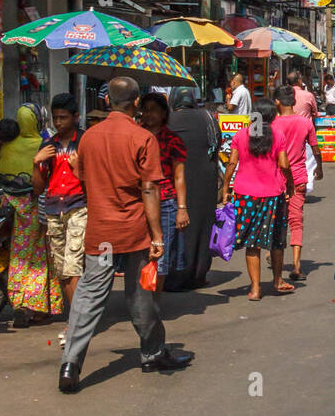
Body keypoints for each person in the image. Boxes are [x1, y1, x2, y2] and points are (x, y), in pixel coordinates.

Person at [58, 76, 192, 394]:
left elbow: (82, 177)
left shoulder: (88, 137)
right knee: (139, 293)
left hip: (101, 231)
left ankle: (70, 363)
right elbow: (149, 188)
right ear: (135, 103)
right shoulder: (142, 138)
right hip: (134, 230)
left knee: (90, 296)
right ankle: (153, 353)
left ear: (106, 101)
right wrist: (157, 236)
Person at [221, 98, 294, 299]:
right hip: (273, 194)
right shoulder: (278, 135)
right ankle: (277, 281)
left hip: (245, 195)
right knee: (277, 240)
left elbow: (231, 163)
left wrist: (226, 188)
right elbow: (285, 165)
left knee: (252, 243)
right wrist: (290, 184)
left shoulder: (241, 135)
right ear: (271, 116)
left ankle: (254, 289)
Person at [0, 107, 61, 326]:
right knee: (39, 257)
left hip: (9, 207)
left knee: (18, 255)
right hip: (36, 209)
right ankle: (36, 306)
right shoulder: (44, 146)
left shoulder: (6, 145)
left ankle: (18, 302)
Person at [32, 94, 86, 343]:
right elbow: (38, 188)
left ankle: (75, 323)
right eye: (55, 118)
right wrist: (36, 164)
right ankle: (76, 318)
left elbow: (95, 179)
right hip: (54, 209)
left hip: (79, 207)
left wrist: (78, 170)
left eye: (63, 117)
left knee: (73, 267)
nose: (58, 122)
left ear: (75, 117)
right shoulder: (48, 146)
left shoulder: (85, 142)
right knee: (63, 270)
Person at [167, 87, 220, 290]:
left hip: (177, 178)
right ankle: (199, 273)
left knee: (178, 225)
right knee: (203, 224)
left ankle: (177, 274)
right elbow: (217, 143)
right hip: (205, 178)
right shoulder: (208, 116)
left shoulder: (169, 120)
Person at [139, 93, 189, 289]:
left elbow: (179, 176)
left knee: (161, 255)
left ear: (163, 113)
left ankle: (154, 301)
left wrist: (182, 208)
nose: (149, 114)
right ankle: (142, 298)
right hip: (138, 201)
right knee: (140, 253)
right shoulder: (136, 136)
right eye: (146, 109)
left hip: (166, 202)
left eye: (154, 110)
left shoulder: (172, 140)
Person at [273, 85, 322, 283]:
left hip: (276, 179)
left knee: (277, 220)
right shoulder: (305, 123)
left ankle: (275, 257)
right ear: (293, 102)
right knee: (296, 221)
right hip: (299, 177)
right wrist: (319, 168)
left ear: (277, 102)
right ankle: (296, 265)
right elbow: (316, 148)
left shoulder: (273, 124)